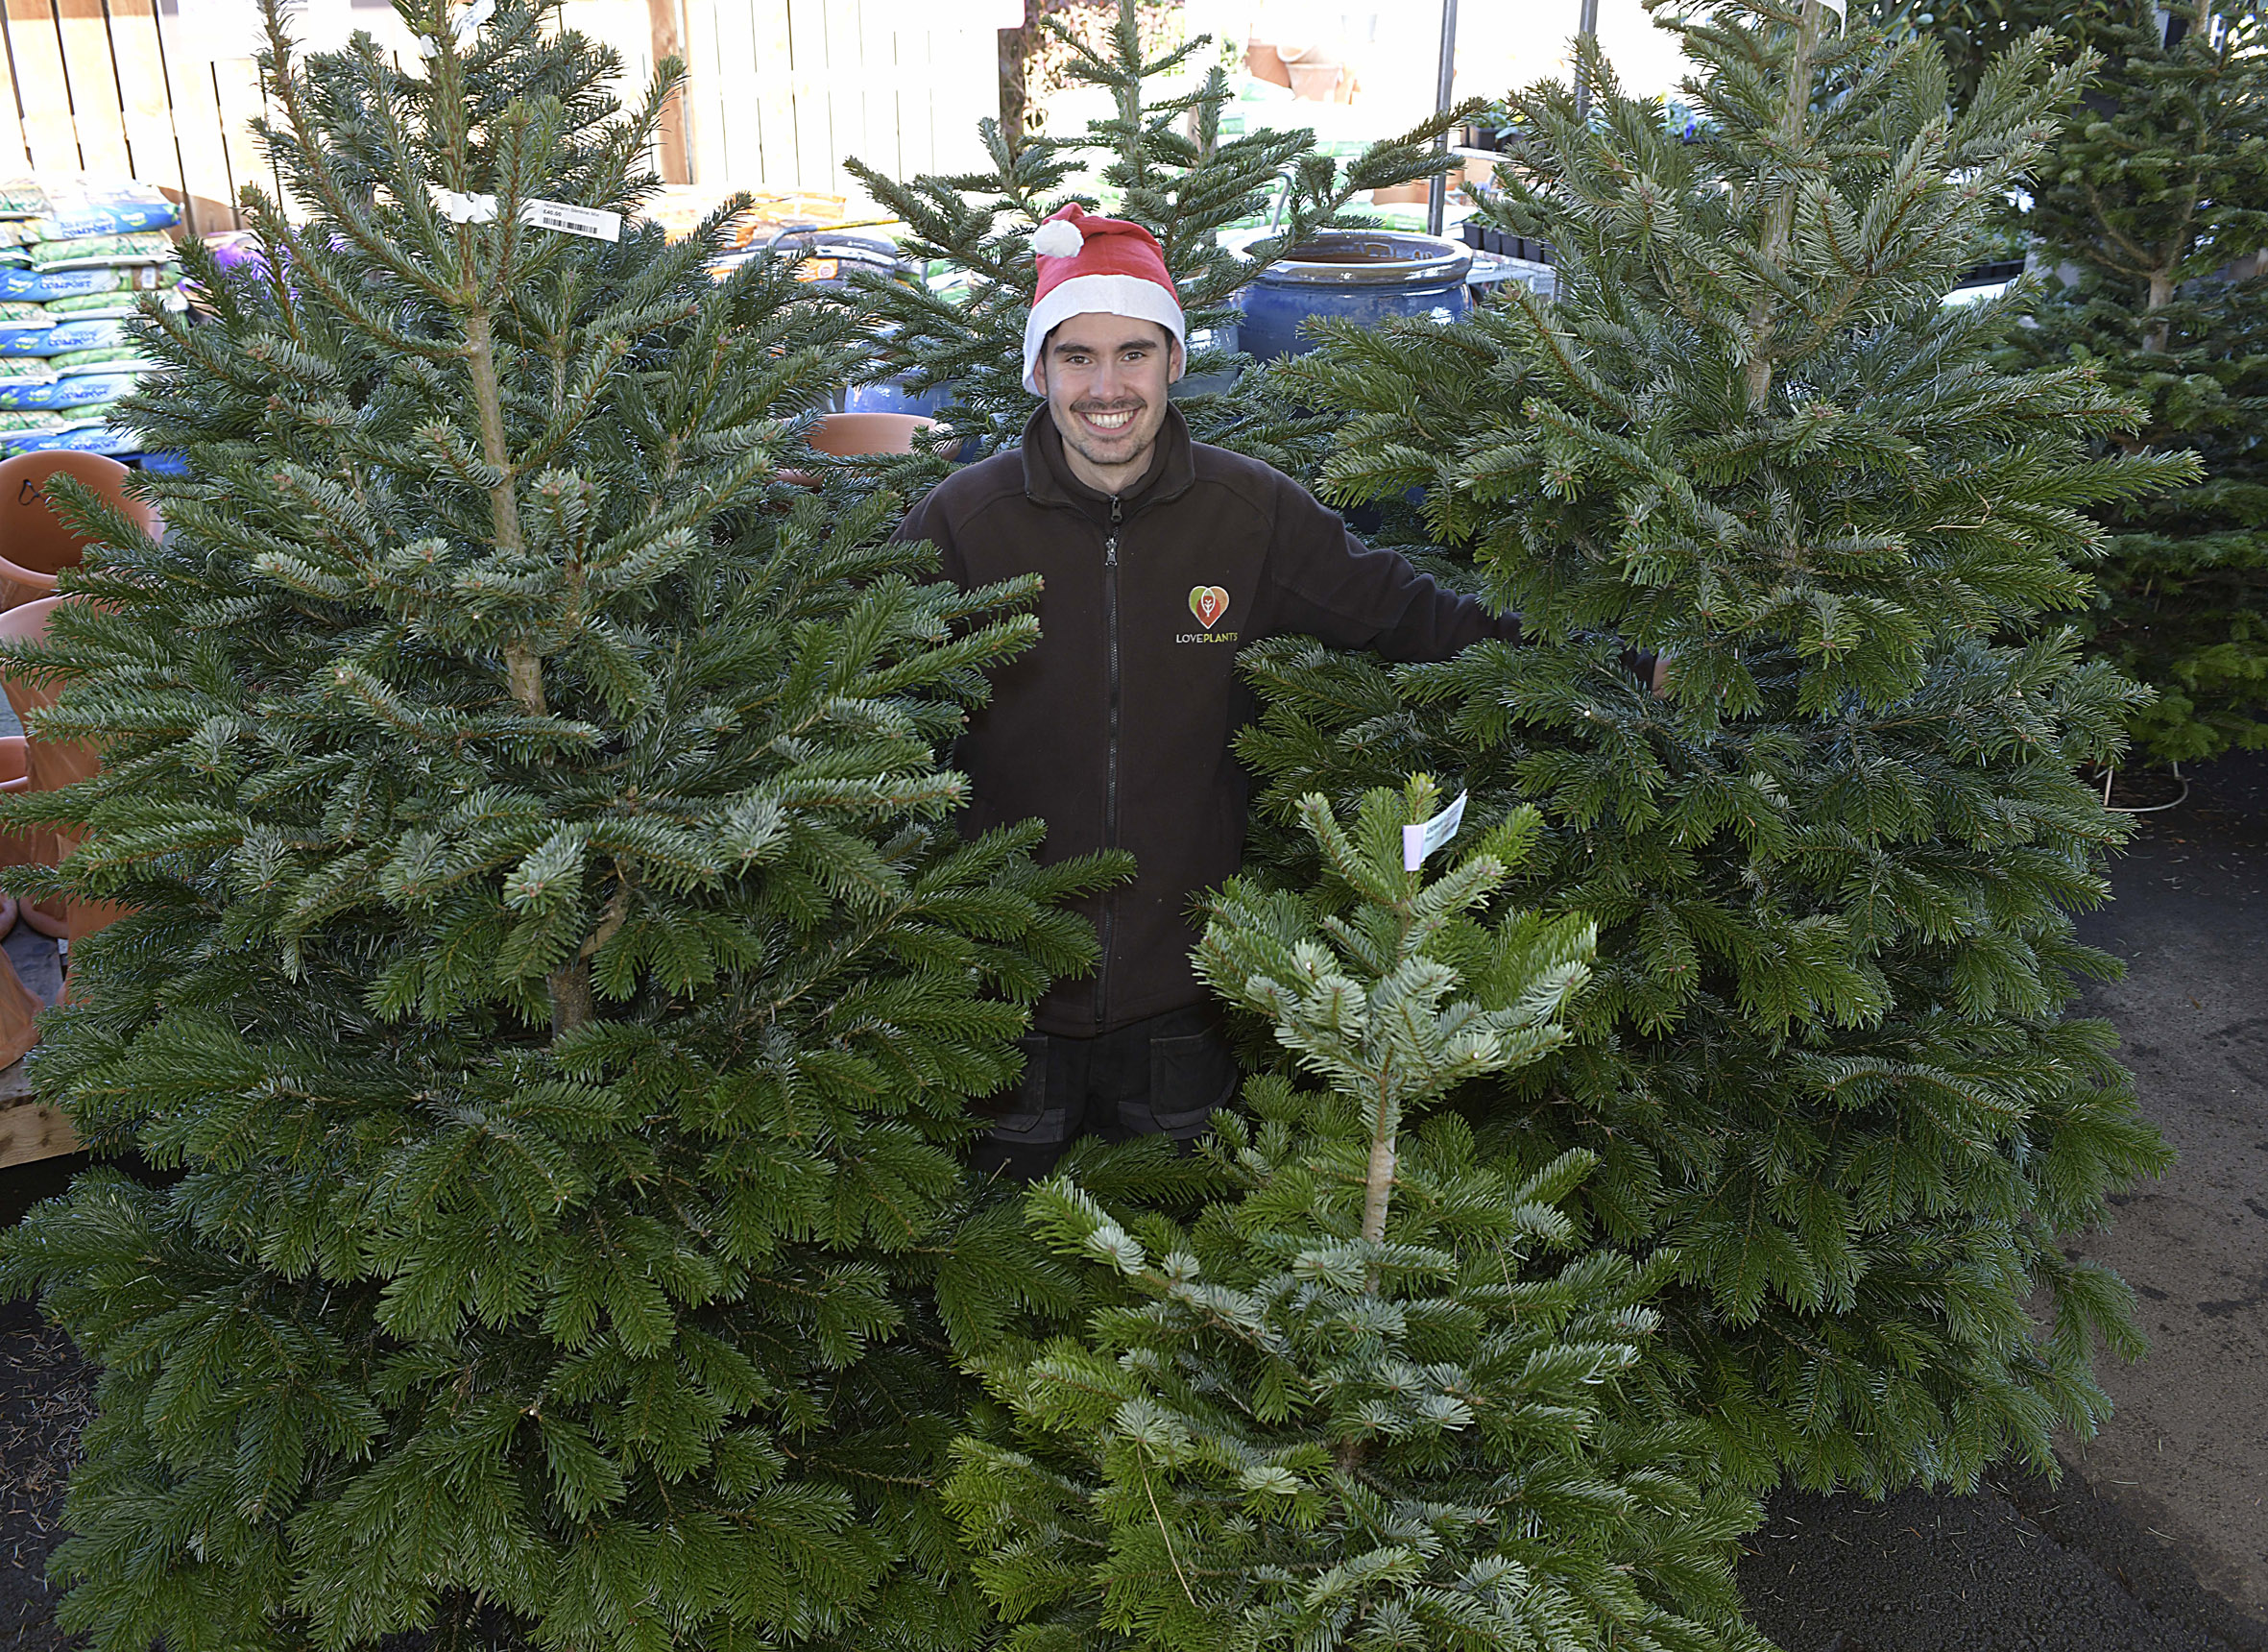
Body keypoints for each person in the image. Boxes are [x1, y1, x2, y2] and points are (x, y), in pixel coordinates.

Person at [893, 203, 1640, 1180]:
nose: (1105, 387)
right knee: (991, 1247)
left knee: (1179, 1261)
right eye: (1076, 357)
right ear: (1039, 370)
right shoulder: (963, 522)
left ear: (1171, 361)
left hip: (1184, 995)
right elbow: (852, 682)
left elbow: (1411, 613)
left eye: (1132, 353)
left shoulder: (1246, 515)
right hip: (1002, 994)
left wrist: (1623, 659)